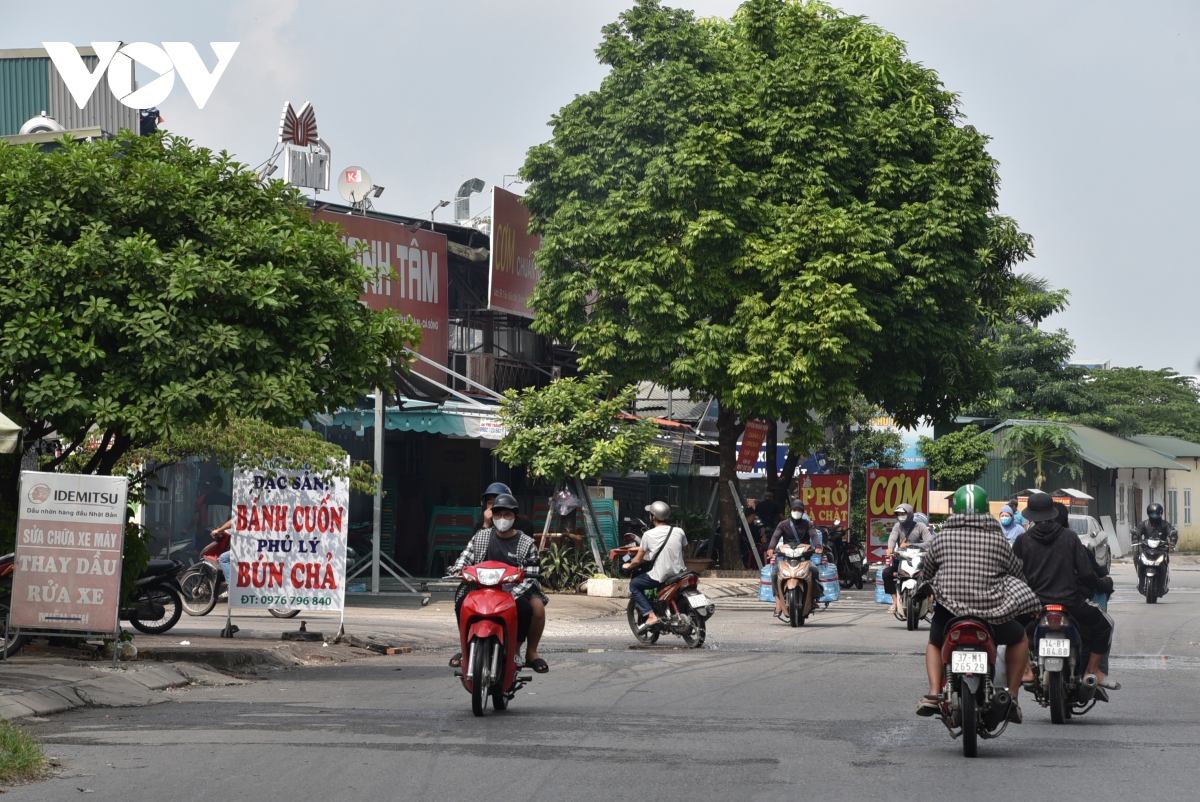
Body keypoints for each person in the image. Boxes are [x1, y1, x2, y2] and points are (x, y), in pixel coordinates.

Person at [914, 484, 1042, 722]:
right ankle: (1012, 696)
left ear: (956, 508)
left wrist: (923, 590)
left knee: (934, 641)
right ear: (986, 510)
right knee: (1019, 638)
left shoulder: (942, 538)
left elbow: (927, 573)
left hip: (950, 615)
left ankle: (933, 694)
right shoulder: (998, 540)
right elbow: (1016, 572)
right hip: (991, 615)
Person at [1012, 496, 1118, 690]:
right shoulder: (1069, 537)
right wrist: (1103, 585)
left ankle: (1026, 669)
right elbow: (1087, 573)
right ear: (1052, 513)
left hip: (1033, 606)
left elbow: (1014, 575)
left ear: (1031, 516)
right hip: (1071, 603)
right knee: (1105, 626)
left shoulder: (1022, 540)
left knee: (1011, 631)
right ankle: (1092, 670)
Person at [449, 494, 549, 673]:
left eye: (507, 515)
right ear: (491, 516)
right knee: (461, 603)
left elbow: (532, 573)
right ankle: (466, 646)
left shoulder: (526, 543)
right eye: (498, 515)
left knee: (526, 609)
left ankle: (517, 650)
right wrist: (457, 569)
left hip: (514, 589)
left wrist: (513, 595)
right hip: (481, 588)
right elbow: (466, 557)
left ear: (515, 517)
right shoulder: (481, 537)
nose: (502, 519)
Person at [622, 501, 688, 631]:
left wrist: (628, 566)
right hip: (680, 572)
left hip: (661, 575)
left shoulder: (648, 535)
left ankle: (651, 616)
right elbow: (683, 549)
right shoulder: (679, 531)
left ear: (653, 516)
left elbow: (638, 561)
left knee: (634, 584)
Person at [766, 499, 822, 620]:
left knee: (815, 571)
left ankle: (813, 599)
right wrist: (771, 548)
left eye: (799, 510)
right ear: (791, 511)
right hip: (787, 559)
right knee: (775, 574)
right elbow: (775, 536)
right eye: (795, 510)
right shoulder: (783, 524)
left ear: (803, 512)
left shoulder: (808, 524)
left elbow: (814, 535)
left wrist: (817, 547)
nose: (797, 512)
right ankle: (778, 603)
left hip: (804, 560)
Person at [883, 503, 932, 614]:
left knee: (933, 575)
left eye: (903, 514)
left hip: (919, 562)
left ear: (909, 514)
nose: (900, 516)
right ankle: (895, 602)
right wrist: (890, 548)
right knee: (886, 573)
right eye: (898, 514)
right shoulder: (897, 526)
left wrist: (910, 545)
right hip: (903, 561)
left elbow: (929, 541)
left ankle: (930, 601)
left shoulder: (920, 526)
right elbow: (892, 538)